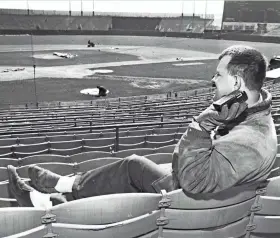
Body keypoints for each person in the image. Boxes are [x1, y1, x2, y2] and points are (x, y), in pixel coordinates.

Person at [8, 45, 277, 207]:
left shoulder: (248, 141)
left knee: (134, 165)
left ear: (238, 84)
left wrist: (201, 124)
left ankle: (56, 195)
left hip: (191, 203)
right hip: (215, 194)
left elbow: (194, 182)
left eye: (219, 75)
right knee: (134, 173)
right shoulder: (255, 118)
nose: (213, 80)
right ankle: (60, 196)